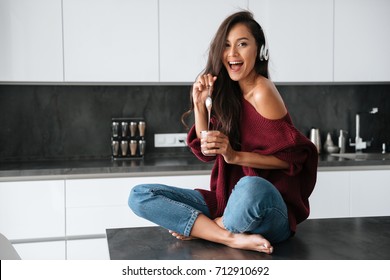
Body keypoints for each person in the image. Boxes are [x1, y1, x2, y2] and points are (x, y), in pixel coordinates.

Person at [129, 10, 318, 254]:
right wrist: (199, 104)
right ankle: (228, 236)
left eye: (242, 44)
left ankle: (207, 230)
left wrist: (235, 156)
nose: (233, 53)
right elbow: (206, 153)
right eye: (226, 45)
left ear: (258, 49)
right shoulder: (228, 93)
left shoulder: (262, 90)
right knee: (140, 195)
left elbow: (293, 159)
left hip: (269, 209)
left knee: (251, 187)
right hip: (227, 202)